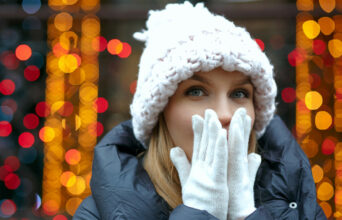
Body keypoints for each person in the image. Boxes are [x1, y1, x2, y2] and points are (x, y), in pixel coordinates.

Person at [73, 2, 327, 219]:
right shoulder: (99, 212)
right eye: (196, 91)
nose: (224, 114)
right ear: (161, 111)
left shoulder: (298, 201)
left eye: (239, 94)